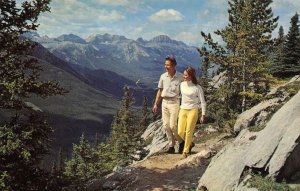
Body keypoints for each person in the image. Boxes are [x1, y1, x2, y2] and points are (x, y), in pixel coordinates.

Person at [153, 56, 183, 154]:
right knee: (166, 126)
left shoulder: (181, 77)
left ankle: (182, 142)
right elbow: (160, 90)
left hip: (175, 102)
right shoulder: (163, 76)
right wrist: (156, 104)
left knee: (173, 125)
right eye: (165, 64)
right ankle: (171, 146)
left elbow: (185, 91)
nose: (166, 67)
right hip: (164, 102)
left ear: (174, 65)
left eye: (168, 65)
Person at [178, 66, 206, 159]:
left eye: (186, 75)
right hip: (183, 109)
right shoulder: (181, 85)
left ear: (191, 76)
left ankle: (185, 151)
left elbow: (203, 101)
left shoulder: (197, 87)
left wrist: (203, 114)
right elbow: (179, 96)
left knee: (189, 131)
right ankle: (189, 143)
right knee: (180, 132)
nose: (184, 76)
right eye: (184, 75)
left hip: (193, 110)